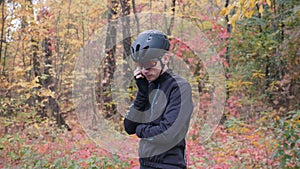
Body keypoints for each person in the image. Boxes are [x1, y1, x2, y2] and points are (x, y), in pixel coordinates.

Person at [124, 30, 194, 169]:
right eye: (139, 66)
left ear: (166, 58)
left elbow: (167, 134)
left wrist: (141, 130)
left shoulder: (179, 88)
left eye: (149, 64)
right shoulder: (148, 85)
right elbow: (129, 127)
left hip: (169, 165)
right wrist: (142, 94)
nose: (144, 70)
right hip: (145, 164)